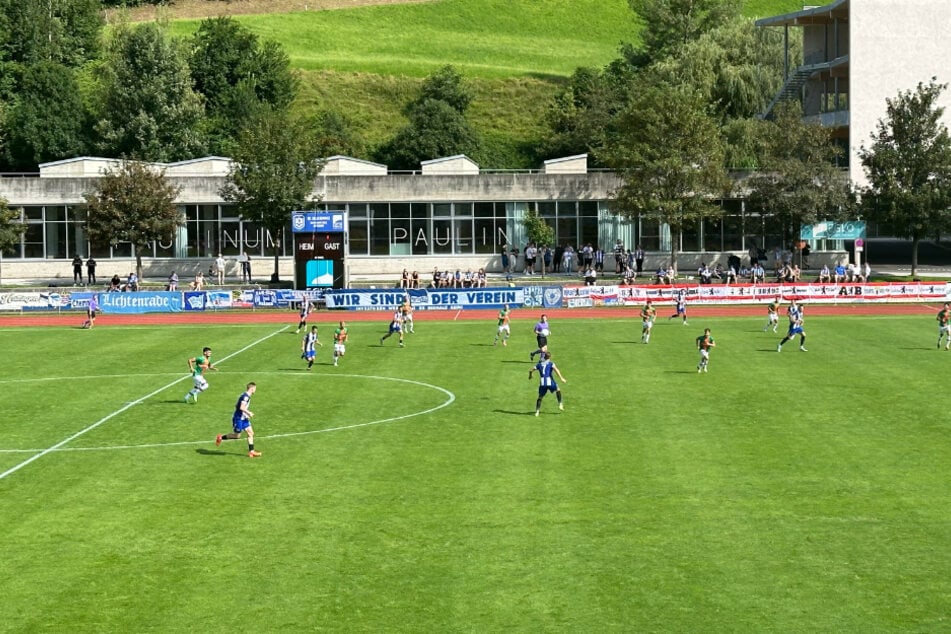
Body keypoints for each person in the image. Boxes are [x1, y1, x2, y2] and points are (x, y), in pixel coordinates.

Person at [215, 383, 261, 458]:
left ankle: (251, 452)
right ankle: (220, 437)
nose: (255, 390)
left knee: (251, 433)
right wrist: (249, 413)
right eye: (255, 388)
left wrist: (245, 415)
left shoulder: (244, 395)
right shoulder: (246, 397)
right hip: (238, 419)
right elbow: (241, 407)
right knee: (237, 436)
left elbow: (237, 405)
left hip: (243, 418)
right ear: (252, 388)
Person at [528, 351, 567, 417]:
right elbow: (557, 370)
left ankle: (537, 412)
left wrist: (530, 375)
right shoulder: (551, 364)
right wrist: (561, 378)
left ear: (544, 357)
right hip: (549, 381)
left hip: (542, 383)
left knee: (540, 397)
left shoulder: (539, 364)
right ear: (550, 357)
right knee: (558, 389)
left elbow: (530, 370)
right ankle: (560, 404)